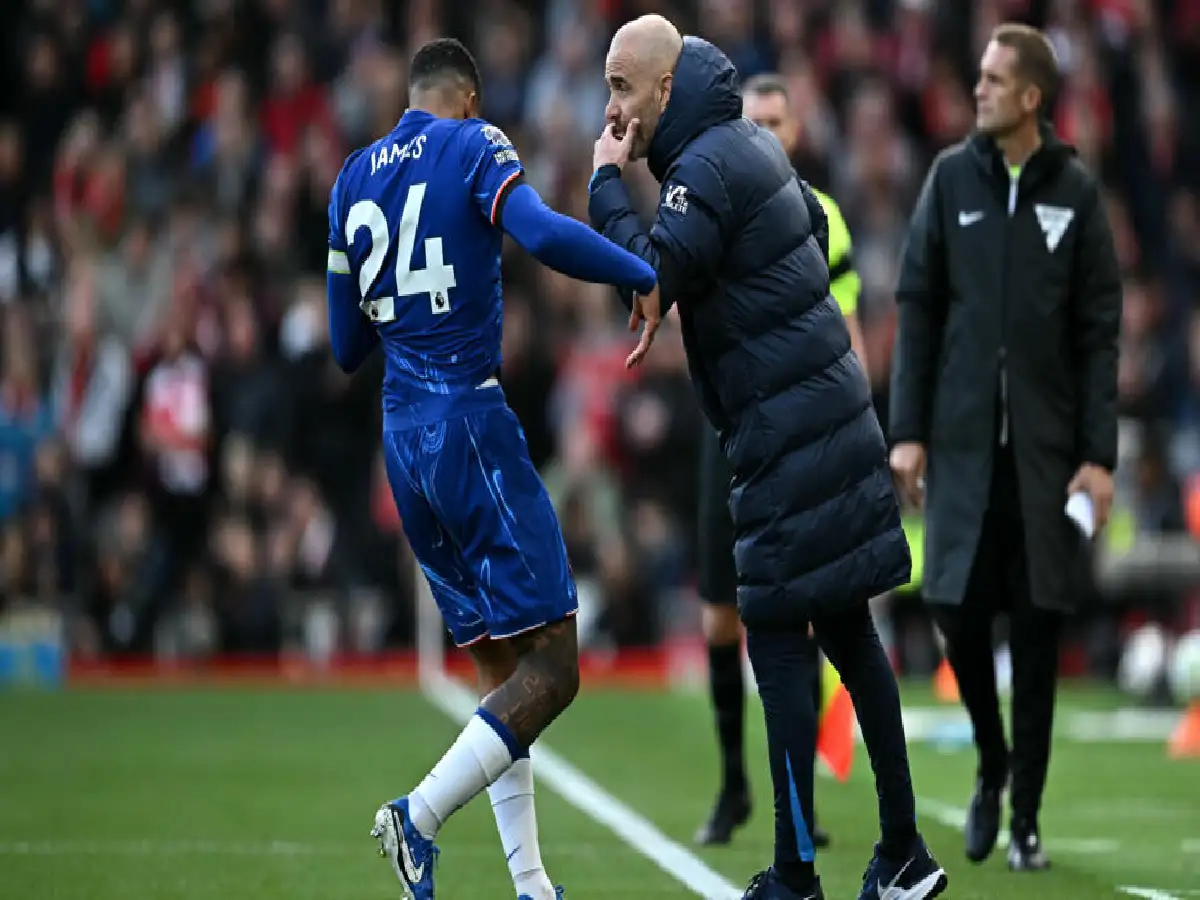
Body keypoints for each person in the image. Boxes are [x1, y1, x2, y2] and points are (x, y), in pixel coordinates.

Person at [587, 16, 946, 900]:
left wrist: (604, 180)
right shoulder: (734, 144)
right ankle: (903, 853)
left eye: (623, 88)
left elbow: (647, 273)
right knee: (849, 635)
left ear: (666, 87)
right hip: (822, 426)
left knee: (782, 648)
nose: (613, 108)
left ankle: (795, 873)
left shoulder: (703, 166)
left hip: (788, 443)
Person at [326, 38, 659, 900]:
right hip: (469, 422)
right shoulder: (474, 145)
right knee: (555, 669)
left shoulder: (352, 177)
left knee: (501, 673)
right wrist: (643, 270)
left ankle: (531, 884)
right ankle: (418, 815)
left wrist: (393, 297)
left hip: (403, 441)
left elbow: (343, 344)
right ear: (466, 98)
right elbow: (540, 232)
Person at [890, 22, 1120, 872]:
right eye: (978, 75)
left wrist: (1099, 454)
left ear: (1031, 97)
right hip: (958, 448)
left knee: (1037, 628)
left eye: (993, 79)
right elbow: (917, 308)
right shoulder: (950, 180)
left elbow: (1101, 336)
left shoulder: (1078, 195)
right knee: (952, 606)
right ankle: (991, 760)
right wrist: (907, 432)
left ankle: (1025, 819)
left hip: (1047, 457)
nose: (976, 87)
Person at [692, 72, 867, 850]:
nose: (765, 130)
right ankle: (733, 782)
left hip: (797, 428)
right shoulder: (712, 201)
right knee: (720, 614)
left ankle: (799, 801)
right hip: (727, 428)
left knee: (795, 614)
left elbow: (849, 324)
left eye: (775, 119)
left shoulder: (821, 216)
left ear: (795, 130)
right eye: (752, 118)